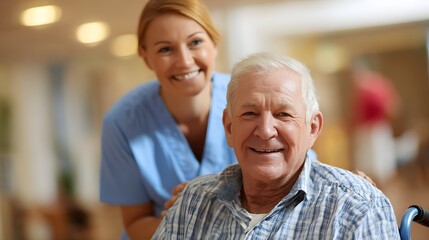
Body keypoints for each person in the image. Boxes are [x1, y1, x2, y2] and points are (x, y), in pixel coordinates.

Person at [152, 52, 400, 239]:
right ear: (229, 127)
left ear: (312, 128)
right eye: (250, 113)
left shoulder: (355, 208)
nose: (266, 130)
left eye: (283, 114)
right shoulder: (192, 203)